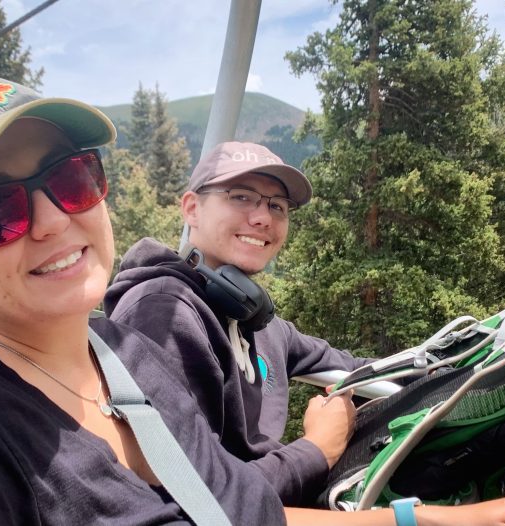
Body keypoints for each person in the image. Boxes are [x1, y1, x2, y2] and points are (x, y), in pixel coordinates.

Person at [0, 72, 505, 526]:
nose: (51, 220)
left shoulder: (123, 360)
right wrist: (318, 448)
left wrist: (473, 516)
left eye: (70, 179)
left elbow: (249, 516)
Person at [104, 141, 375, 504]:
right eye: (241, 197)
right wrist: (317, 448)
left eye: (277, 205)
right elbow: (190, 496)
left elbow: (361, 369)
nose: (263, 217)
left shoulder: (259, 322)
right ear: (192, 208)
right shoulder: (162, 314)